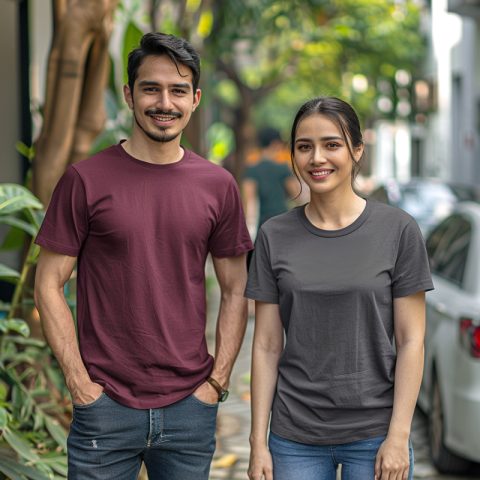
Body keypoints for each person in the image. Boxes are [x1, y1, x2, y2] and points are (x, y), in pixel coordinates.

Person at [34, 32, 253, 480]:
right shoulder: (84, 180)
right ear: (129, 95)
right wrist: (79, 383)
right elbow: (48, 284)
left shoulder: (218, 185)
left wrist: (217, 383)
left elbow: (236, 290)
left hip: (190, 407)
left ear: (194, 99)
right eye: (151, 88)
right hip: (104, 408)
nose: (164, 103)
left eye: (177, 91)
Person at [245, 97, 433, 480]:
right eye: (304, 146)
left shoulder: (398, 230)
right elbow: (266, 344)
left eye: (332, 144)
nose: (317, 158)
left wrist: (398, 436)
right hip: (294, 437)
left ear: (357, 150)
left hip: (376, 434)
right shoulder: (273, 235)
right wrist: (257, 443)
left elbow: (412, 340)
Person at [244, 128, 299, 230]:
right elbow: (296, 194)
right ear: (275, 143)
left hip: (263, 223)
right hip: (282, 219)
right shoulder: (283, 167)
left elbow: (249, 199)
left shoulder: (251, 169)